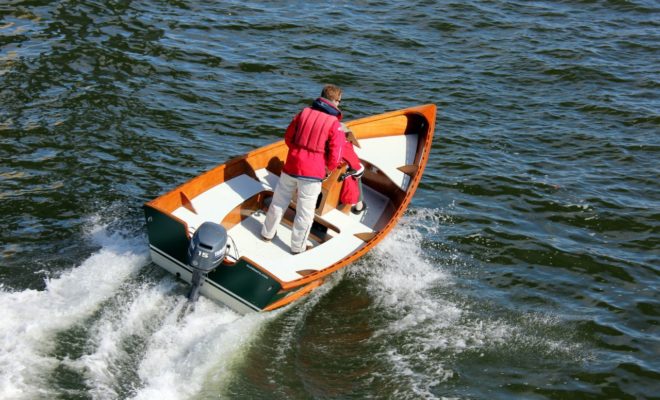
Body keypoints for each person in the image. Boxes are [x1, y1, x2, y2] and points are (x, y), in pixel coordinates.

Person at [261, 84, 345, 254]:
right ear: (334, 101)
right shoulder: (334, 124)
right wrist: (328, 169)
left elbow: (288, 137)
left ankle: (267, 233)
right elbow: (336, 154)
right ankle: (297, 247)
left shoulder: (303, 113)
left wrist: (296, 152)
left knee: (279, 201)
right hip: (312, 173)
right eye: (339, 102)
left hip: (292, 165)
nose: (339, 105)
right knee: (305, 212)